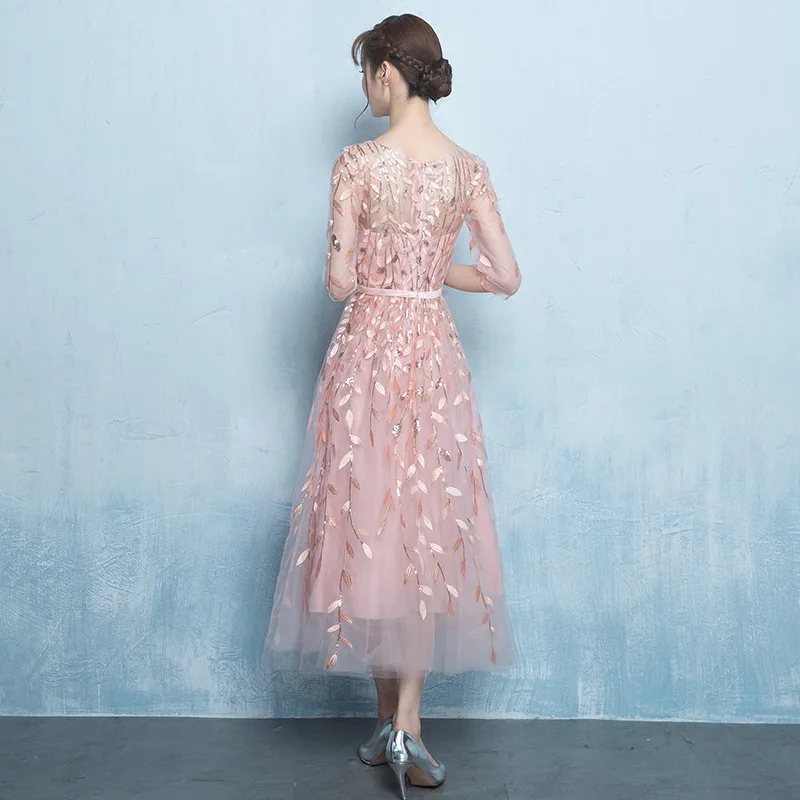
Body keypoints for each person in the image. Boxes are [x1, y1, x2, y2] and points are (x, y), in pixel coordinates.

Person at [265, 13, 521, 798]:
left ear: (385, 71)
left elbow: (338, 282)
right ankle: (404, 723)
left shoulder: (356, 164)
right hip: (431, 354)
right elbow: (505, 276)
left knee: (371, 524)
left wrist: (368, 266)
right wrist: (434, 273)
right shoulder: (467, 168)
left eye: (366, 74)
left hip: (369, 353)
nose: (365, 90)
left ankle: (393, 724)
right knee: (425, 527)